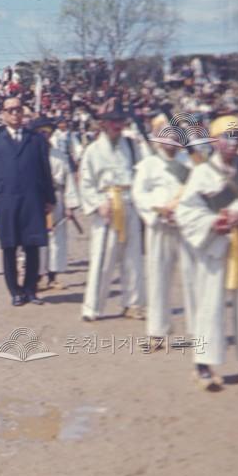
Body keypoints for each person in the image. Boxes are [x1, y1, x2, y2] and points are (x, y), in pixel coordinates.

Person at [176, 115, 238, 390]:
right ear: (214, 140)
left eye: (236, 136)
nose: (232, 143)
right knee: (209, 303)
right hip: (215, 245)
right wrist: (212, 222)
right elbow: (186, 209)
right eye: (226, 136)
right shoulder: (202, 173)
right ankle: (203, 363)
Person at [132, 114, 197, 351]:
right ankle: (157, 332)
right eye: (165, 136)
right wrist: (158, 209)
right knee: (158, 277)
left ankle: (198, 329)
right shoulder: (148, 164)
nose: (170, 141)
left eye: (174, 135)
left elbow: (198, 190)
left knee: (192, 277)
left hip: (185, 226)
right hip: (159, 225)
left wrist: (181, 210)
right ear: (157, 139)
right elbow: (139, 194)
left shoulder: (189, 162)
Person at [0, 99, 56, 306]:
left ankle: (31, 290)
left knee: (32, 246)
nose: (15, 114)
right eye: (10, 110)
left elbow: (45, 171)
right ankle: (15, 291)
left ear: (23, 113)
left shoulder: (36, 140)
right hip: (5, 201)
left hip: (33, 200)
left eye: (18, 110)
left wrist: (50, 199)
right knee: (9, 247)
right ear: (3, 115)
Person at [78, 103, 145, 320]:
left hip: (129, 201)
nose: (117, 125)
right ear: (104, 124)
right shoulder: (93, 150)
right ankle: (92, 307)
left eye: (120, 121)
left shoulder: (132, 146)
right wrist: (98, 203)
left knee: (133, 257)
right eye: (112, 121)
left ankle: (132, 303)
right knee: (102, 258)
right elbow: (86, 182)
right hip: (106, 203)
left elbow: (143, 173)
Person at [34, 120, 80, 289]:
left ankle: (53, 276)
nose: (43, 136)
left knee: (57, 238)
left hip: (57, 197)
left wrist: (70, 206)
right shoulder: (30, 155)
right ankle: (37, 275)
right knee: (37, 239)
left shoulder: (59, 155)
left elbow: (68, 180)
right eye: (40, 133)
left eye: (46, 133)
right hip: (36, 199)